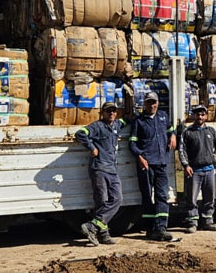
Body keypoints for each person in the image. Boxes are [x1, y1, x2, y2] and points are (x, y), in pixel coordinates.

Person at [73, 102, 123, 246]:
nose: (111, 113)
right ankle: (103, 234)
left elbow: (128, 120)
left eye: (114, 111)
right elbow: (81, 133)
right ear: (103, 113)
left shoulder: (117, 125)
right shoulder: (97, 126)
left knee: (117, 199)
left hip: (112, 170)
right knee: (101, 202)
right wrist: (91, 147)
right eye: (108, 111)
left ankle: (92, 226)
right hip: (99, 169)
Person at [130, 92, 176, 242]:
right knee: (147, 196)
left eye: (154, 102)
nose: (152, 105)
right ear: (145, 104)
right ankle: (150, 229)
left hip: (162, 163)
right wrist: (139, 156)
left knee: (162, 195)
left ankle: (161, 228)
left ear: (158, 103)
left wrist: (173, 135)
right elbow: (132, 143)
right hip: (146, 164)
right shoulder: (139, 121)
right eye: (149, 103)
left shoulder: (163, 116)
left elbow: (171, 129)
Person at [178, 105, 216, 232]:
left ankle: (208, 221)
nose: (200, 117)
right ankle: (192, 223)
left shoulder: (211, 131)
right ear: (194, 116)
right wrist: (186, 165)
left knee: (209, 197)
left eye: (202, 114)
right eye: (197, 114)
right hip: (194, 171)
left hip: (209, 170)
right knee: (192, 198)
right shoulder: (188, 132)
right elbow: (181, 149)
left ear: (206, 116)